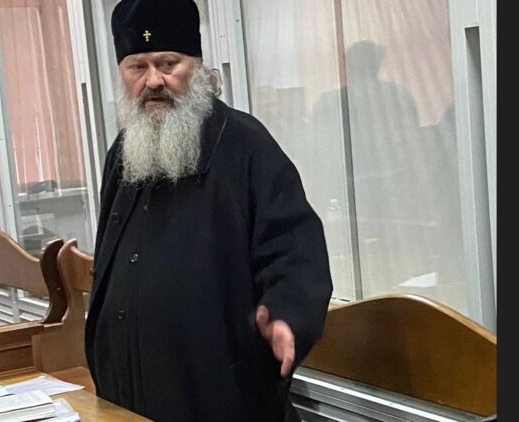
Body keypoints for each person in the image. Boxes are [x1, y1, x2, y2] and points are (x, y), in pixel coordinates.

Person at [84, 0, 333, 420]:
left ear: (196, 67)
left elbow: (295, 251)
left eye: (168, 64)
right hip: (125, 398)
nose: (153, 80)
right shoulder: (124, 152)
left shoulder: (245, 145)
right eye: (137, 67)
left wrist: (287, 316)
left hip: (220, 398)